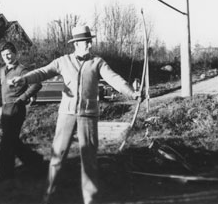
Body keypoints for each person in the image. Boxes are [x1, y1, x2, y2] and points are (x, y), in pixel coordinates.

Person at [11, 25, 139, 204]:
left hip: (88, 115)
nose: (89, 45)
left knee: (89, 160)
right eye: (85, 42)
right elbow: (43, 72)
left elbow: (114, 78)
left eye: (89, 41)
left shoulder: (97, 62)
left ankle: (90, 199)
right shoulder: (63, 61)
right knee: (57, 156)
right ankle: (49, 196)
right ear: (76, 44)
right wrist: (24, 79)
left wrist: (131, 92)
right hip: (66, 114)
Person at [0, 42, 43, 179]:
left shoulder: (22, 70)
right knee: (12, 139)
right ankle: (34, 160)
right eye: (4, 55)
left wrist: (22, 98)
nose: (7, 57)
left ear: (15, 54)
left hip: (16, 108)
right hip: (5, 108)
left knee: (7, 141)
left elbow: (36, 84)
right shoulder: (2, 70)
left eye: (9, 53)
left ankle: (5, 173)